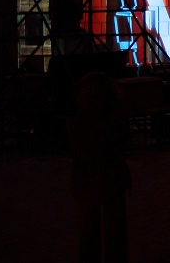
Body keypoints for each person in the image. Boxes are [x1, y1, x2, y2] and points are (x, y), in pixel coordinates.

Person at [66, 71, 131, 263]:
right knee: (114, 233)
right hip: (109, 179)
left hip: (88, 181)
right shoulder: (113, 124)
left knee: (89, 233)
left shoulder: (77, 125)